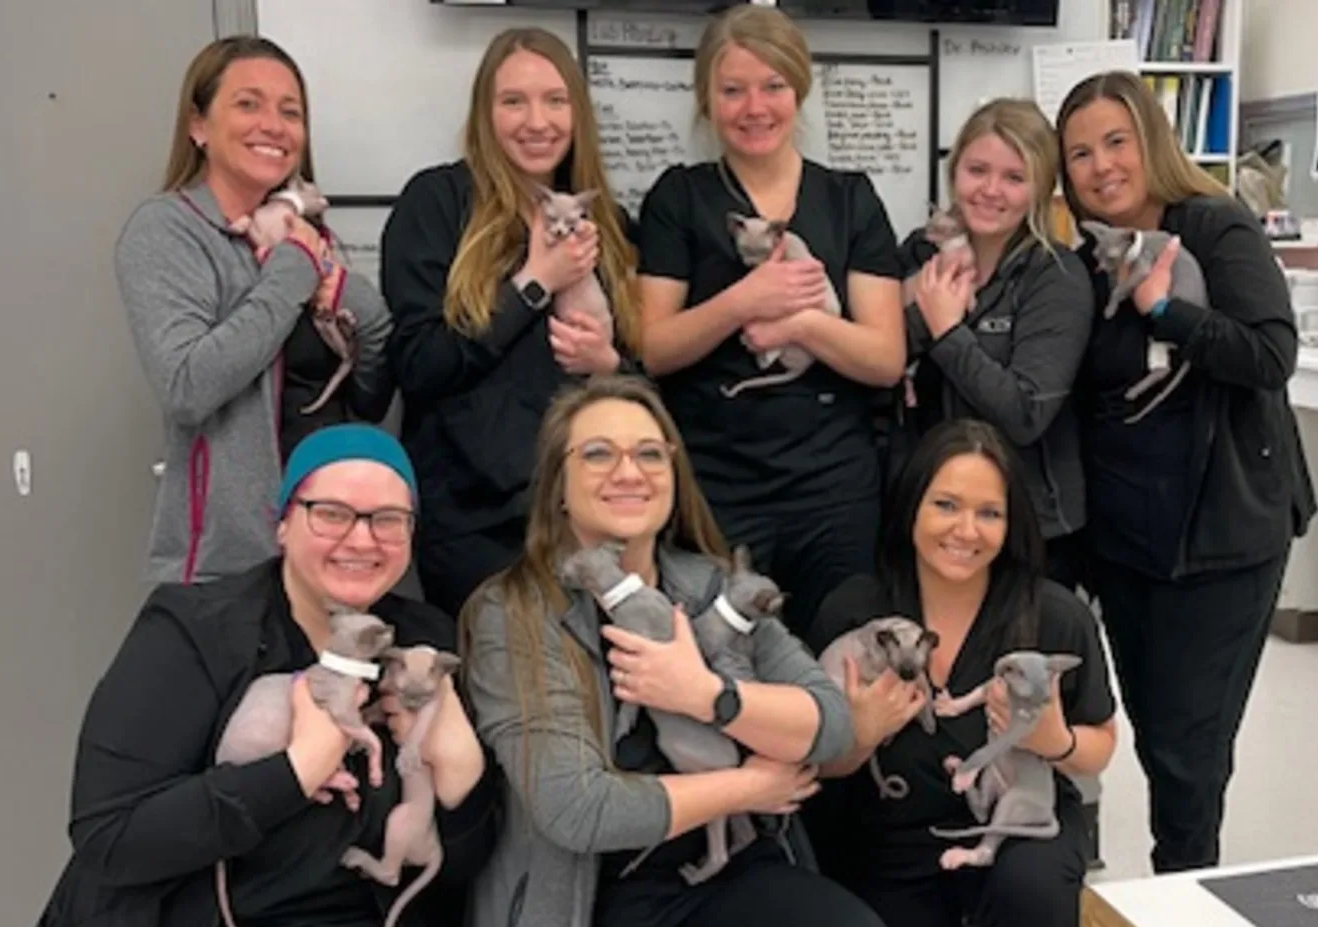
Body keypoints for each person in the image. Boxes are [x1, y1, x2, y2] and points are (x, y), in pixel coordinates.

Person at [462, 375, 901, 927]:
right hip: (595, 904)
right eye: (597, 454)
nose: (629, 471)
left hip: (733, 876)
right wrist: (745, 787)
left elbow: (831, 724)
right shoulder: (513, 612)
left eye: (649, 453)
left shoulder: (713, 584)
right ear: (558, 488)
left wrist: (706, 695)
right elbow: (576, 810)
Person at [23, 424, 497, 927]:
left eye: (388, 519)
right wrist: (295, 771)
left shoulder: (422, 643)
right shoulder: (196, 631)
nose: (362, 539)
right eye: (332, 513)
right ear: (283, 524)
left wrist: (462, 773)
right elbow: (111, 838)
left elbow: (455, 882)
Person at [1055, 70, 1317, 874]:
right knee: (1155, 734)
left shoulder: (1215, 228)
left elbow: (1272, 356)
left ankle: (1186, 909)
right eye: (1079, 154)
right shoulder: (1086, 260)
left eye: (1116, 142)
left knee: (1187, 756)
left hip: (1221, 536)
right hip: (1128, 540)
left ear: (1151, 142)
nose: (1101, 167)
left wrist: (1168, 311)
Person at [635, 5, 906, 641]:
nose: (754, 107)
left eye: (773, 87)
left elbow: (885, 356)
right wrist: (745, 299)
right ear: (707, 98)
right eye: (732, 90)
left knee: (840, 665)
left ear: (799, 89)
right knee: (721, 666)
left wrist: (799, 325)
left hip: (834, 488)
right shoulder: (679, 197)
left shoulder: (849, 199)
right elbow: (653, 347)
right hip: (717, 485)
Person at [807, 419, 1117, 927]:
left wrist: (1055, 741)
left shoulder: (1054, 616)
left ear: (1013, 522)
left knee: (1034, 896)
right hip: (891, 838)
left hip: (1022, 827)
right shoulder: (853, 611)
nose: (965, 531)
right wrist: (858, 739)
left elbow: (1100, 747)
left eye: (989, 513)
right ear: (911, 508)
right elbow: (810, 764)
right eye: (946, 505)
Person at [380, 27, 642, 618]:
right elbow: (419, 366)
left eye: (555, 100)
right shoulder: (436, 203)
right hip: (474, 523)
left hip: (588, 514)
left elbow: (645, 387)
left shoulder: (611, 223)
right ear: (484, 113)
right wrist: (535, 282)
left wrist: (610, 366)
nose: (537, 121)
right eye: (513, 102)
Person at [116, 36, 395, 585]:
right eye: (248, 104)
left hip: (336, 551)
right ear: (198, 126)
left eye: (290, 112)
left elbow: (372, 389)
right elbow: (188, 386)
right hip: (229, 565)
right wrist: (293, 269)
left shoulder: (313, 238)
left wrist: (338, 288)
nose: (273, 124)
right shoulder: (166, 230)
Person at [896, 97, 1095, 591]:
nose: (990, 190)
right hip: (929, 517)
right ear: (954, 172)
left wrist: (946, 331)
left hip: (1028, 528)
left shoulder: (1056, 275)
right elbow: (880, 363)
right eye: (976, 170)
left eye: (1013, 177)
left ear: (1041, 187)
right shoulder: (919, 254)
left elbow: (1025, 413)